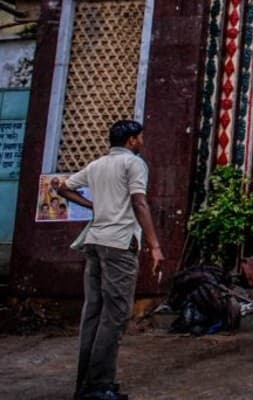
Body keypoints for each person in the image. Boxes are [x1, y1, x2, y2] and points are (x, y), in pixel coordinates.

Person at [53, 119, 164, 400]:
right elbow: (139, 202)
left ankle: (87, 383)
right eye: (140, 137)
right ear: (130, 141)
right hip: (118, 244)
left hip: (94, 242)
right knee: (115, 316)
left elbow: (63, 188)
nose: (142, 141)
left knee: (93, 313)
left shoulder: (97, 165)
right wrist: (154, 245)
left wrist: (94, 206)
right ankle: (99, 386)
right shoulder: (134, 164)